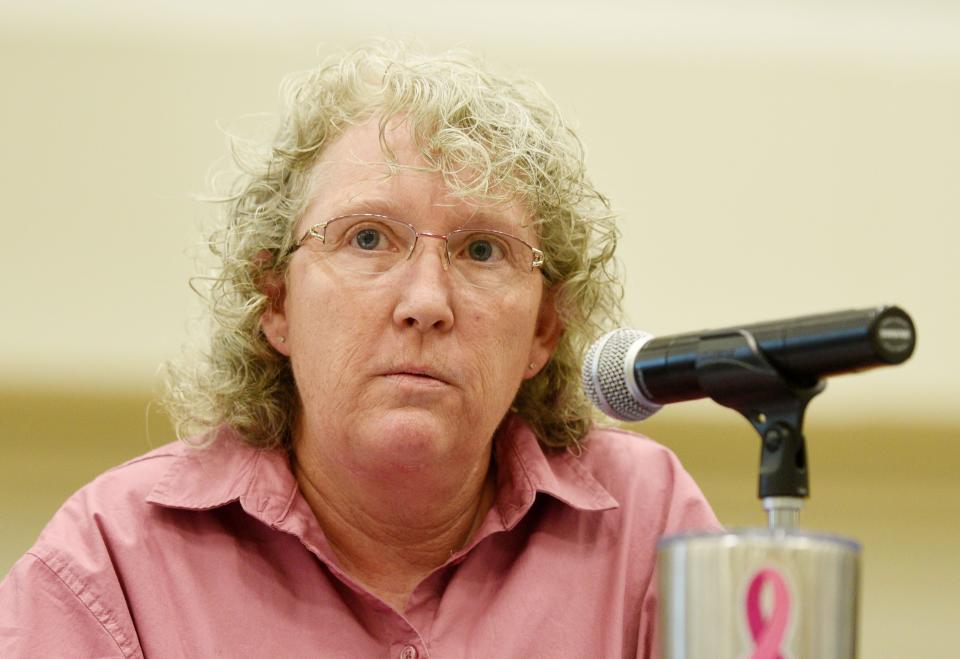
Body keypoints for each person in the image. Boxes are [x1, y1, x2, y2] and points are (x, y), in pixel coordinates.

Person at [0, 43, 719, 658]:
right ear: (277, 301)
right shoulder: (112, 566)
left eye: (481, 249)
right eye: (368, 238)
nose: (427, 302)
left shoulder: (647, 529)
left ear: (544, 328)